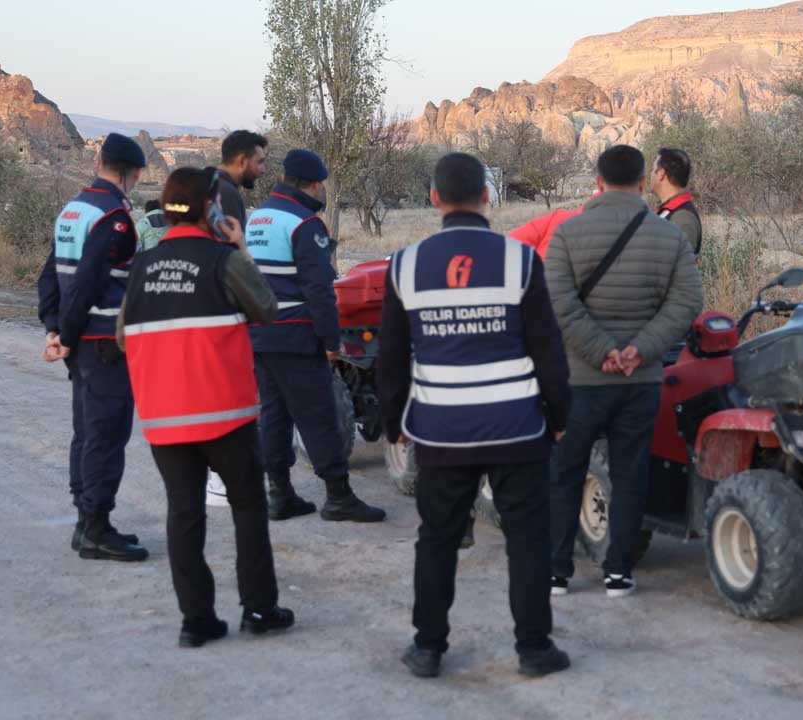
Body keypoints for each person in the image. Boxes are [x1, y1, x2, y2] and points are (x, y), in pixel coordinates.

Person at [377, 152, 573, 679]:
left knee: (437, 538)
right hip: (517, 428)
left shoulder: (405, 265)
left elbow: (391, 360)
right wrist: (559, 415)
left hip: (441, 432)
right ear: (488, 196)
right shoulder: (520, 261)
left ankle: (427, 648)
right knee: (528, 537)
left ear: (435, 198)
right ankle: (534, 649)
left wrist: (392, 422)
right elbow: (548, 351)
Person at [117, 167, 293, 647]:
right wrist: (240, 249)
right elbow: (268, 309)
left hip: (165, 418)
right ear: (209, 207)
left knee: (184, 513)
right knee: (248, 508)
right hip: (224, 414)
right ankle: (259, 608)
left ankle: (196, 622)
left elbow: (122, 336)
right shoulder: (222, 260)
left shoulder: (141, 268)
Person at [544, 145, 703, 597]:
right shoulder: (668, 236)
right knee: (631, 474)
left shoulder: (567, 235)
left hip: (580, 380)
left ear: (597, 182)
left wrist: (600, 352)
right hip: (641, 381)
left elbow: (559, 303)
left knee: (566, 471)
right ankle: (618, 572)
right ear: (639, 182)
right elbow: (688, 302)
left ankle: (557, 571)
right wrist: (639, 350)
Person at [244, 149, 385, 523]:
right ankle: (339, 496)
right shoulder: (303, 223)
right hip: (295, 334)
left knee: (273, 414)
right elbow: (320, 289)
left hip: (258, 332)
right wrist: (330, 342)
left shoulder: (257, 218)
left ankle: (279, 492)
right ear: (313, 182)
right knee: (319, 414)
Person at [37, 132, 150, 562]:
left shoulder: (73, 209)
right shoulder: (113, 217)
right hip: (104, 343)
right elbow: (86, 283)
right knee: (106, 434)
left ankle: (87, 521)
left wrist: (54, 327)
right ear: (133, 173)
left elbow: (50, 275)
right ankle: (96, 527)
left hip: (81, 342)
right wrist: (63, 335)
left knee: (86, 431)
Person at [651, 147, 702, 255]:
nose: (651, 175)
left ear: (661, 174)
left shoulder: (683, 217)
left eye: (652, 170)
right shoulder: (666, 211)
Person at [216, 130, 268, 228]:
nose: (263, 170)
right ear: (243, 161)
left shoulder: (209, 184)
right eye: (260, 162)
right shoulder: (227, 193)